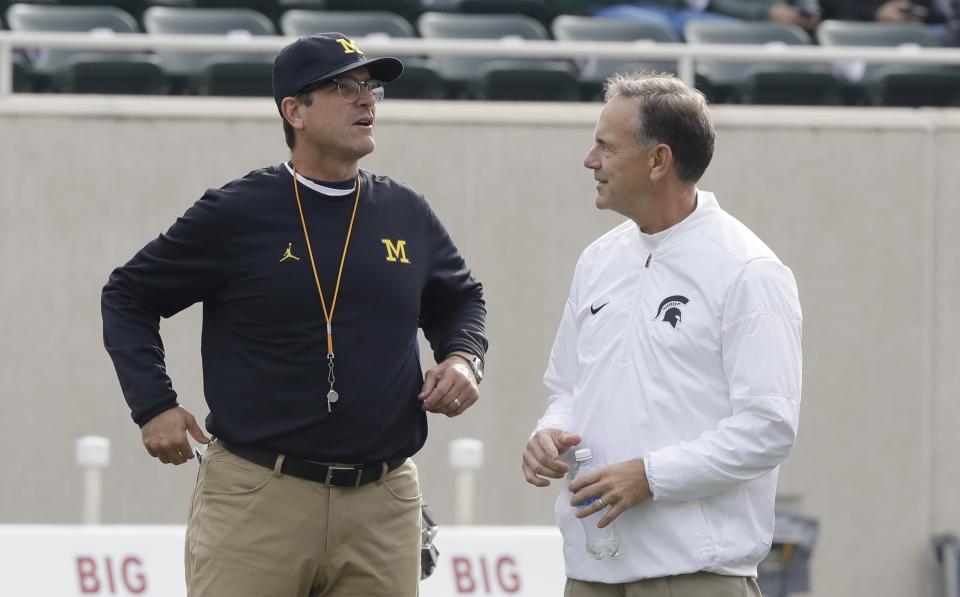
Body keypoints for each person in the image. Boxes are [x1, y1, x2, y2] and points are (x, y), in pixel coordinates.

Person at [101, 33, 487, 597]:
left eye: (370, 87)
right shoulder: (237, 212)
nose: (366, 101)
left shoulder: (405, 211)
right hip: (260, 495)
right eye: (343, 87)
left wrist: (463, 358)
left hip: (383, 501)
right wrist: (153, 403)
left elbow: (460, 299)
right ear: (294, 111)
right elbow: (128, 295)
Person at [522, 71, 802, 596]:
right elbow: (567, 388)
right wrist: (551, 433)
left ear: (658, 161)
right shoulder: (597, 261)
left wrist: (650, 476)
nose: (590, 160)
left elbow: (769, 427)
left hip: (695, 575)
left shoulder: (748, 269)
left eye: (606, 146)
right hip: (590, 572)